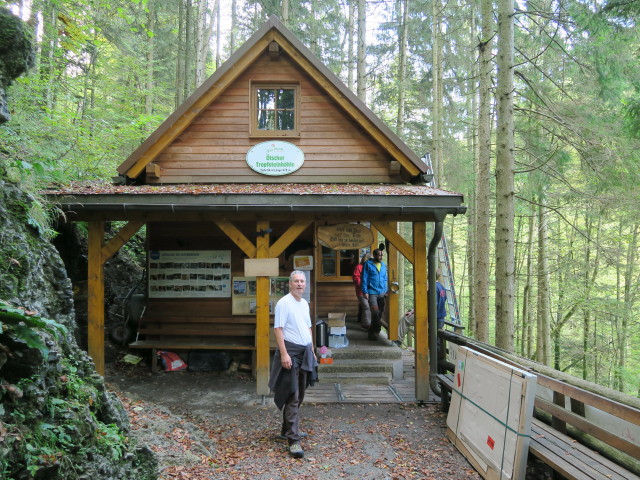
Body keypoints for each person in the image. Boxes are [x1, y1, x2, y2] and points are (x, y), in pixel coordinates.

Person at [268, 270, 317, 459]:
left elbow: (308, 327)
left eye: (302, 281)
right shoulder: (284, 303)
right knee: (293, 394)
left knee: (300, 392)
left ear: (305, 284)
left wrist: (312, 349)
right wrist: (284, 354)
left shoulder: (304, 303)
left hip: (304, 352)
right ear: (290, 283)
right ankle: (293, 441)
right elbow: (278, 329)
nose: (299, 284)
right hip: (290, 352)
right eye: (296, 281)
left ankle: (286, 429)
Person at [396, 269, 447, 344]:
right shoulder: (442, 287)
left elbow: (432, 306)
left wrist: (418, 312)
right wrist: (414, 311)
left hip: (431, 319)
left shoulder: (433, 288)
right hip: (440, 319)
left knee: (405, 319)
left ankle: (397, 341)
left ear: (429, 276)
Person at [361, 248, 388, 341]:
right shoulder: (368, 264)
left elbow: (385, 278)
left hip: (381, 293)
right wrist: (365, 291)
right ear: (375, 255)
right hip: (372, 293)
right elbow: (364, 278)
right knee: (375, 312)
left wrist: (385, 289)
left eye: (382, 255)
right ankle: (377, 330)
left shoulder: (383, 265)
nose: (381, 257)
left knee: (379, 314)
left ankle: (372, 334)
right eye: (379, 255)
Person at [352, 253, 371, 330]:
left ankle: (365, 323)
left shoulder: (370, 268)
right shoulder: (359, 267)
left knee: (365, 307)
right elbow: (356, 279)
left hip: (369, 291)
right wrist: (364, 285)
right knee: (366, 306)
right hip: (361, 291)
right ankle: (366, 324)